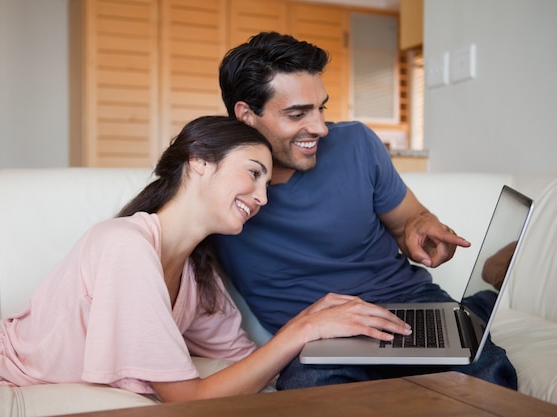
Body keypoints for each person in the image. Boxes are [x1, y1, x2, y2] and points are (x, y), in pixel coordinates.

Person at [0, 115, 411, 401]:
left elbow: (247, 366)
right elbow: (187, 399)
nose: (262, 196)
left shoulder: (200, 274)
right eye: (253, 173)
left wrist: (323, 330)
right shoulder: (125, 244)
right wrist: (303, 329)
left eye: (268, 182)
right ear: (199, 160)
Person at [213, 32, 518, 390]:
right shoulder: (212, 186)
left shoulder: (356, 142)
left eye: (321, 108)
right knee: (309, 394)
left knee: (489, 378)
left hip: (406, 303)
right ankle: (476, 307)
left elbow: (408, 221)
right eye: (297, 114)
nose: (320, 128)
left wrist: (421, 227)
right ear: (246, 115)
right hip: (317, 331)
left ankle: (469, 312)